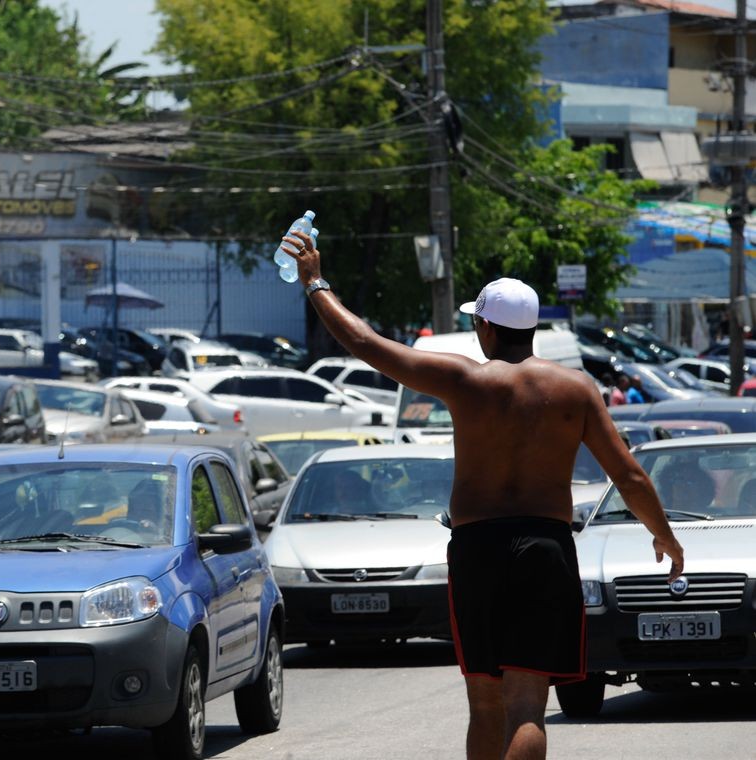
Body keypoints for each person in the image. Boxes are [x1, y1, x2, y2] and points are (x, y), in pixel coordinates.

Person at [281, 228, 683, 760]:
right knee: (528, 709)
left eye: (476, 323)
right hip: (545, 548)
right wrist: (665, 536)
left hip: (478, 551)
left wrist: (315, 284)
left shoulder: (465, 380)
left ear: (487, 328)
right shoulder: (576, 389)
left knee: (486, 707)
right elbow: (630, 476)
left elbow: (365, 344)